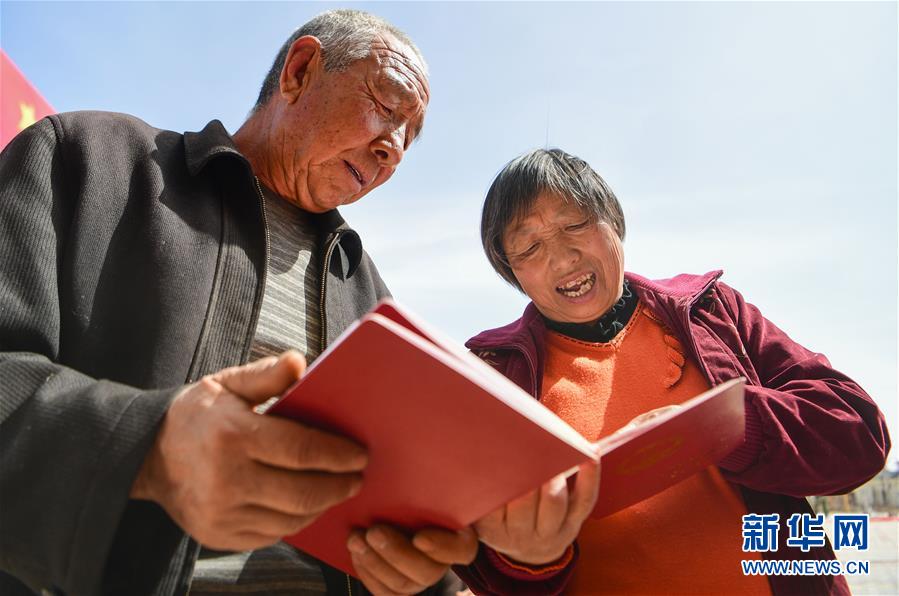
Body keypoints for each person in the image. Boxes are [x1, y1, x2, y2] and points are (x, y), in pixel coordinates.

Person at [0, 9, 476, 596]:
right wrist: (146, 450)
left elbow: (385, 505)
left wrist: (431, 577)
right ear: (301, 70)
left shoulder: (370, 295)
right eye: (388, 105)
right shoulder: (84, 159)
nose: (395, 148)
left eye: (411, 135)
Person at [452, 148, 891, 595]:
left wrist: (721, 428)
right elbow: (478, 561)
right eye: (529, 247)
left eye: (575, 224)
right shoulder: (495, 375)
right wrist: (530, 557)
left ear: (614, 222)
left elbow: (858, 432)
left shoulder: (710, 310)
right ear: (512, 272)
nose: (563, 259)